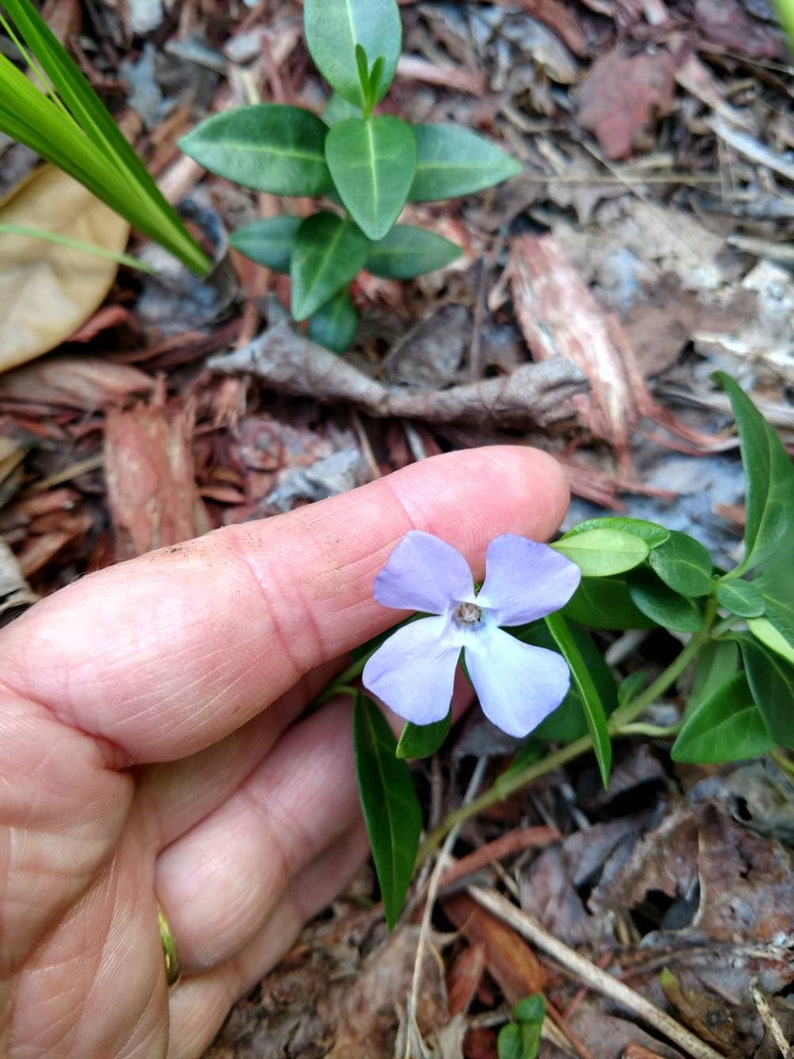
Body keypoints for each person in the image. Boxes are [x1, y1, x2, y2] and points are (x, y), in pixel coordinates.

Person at [0, 445, 569, 1058]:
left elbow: (557, 576)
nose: (467, 611)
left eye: (470, 611)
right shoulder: (441, 595)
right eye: (464, 610)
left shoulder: (533, 588)